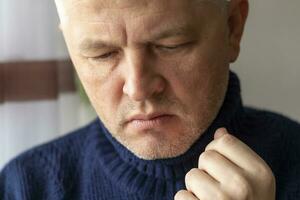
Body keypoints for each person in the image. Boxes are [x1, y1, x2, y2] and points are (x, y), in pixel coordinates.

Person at [1, 0, 299, 199]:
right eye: (101, 54)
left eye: (170, 45)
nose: (138, 88)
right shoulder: (24, 187)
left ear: (232, 27)